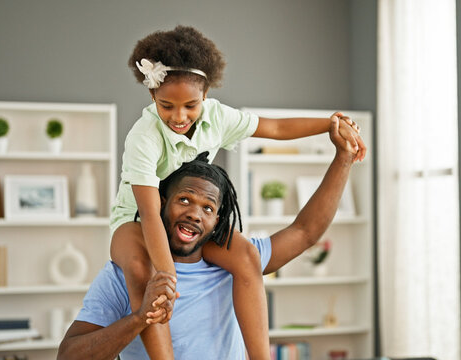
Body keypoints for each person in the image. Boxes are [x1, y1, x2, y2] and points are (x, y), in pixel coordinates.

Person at [110, 25, 366, 358]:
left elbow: (275, 127)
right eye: (166, 106)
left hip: (186, 220)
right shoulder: (143, 137)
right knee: (147, 275)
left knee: (247, 256)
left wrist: (331, 123)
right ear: (152, 97)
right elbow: (147, 213)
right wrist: (168, 274)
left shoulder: (218, 117)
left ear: (205, 96)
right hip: (136, 221)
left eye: (190, 105)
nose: (179, 116)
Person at [58, 116, 359, 359]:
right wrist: (138, 318)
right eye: (185, 200)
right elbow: (68, 356)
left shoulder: (235, 265)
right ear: (161, 203)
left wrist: (344, 157)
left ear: (217, 222)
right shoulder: (121, 275)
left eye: (207, 208)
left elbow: (305, 232)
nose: (195, 214)